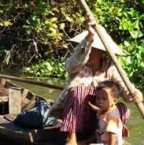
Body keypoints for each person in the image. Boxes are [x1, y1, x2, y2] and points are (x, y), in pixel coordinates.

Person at [49, 13, 143, 145]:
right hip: (78, 119)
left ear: (102, 52)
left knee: (121, 107)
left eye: (94, 49)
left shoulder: (110, 67)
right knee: (79, 91)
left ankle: (100, 138)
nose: (89, 51)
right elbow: (72, 64)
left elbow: (126, 92)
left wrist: (134, 94)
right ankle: (72, 138)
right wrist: (89, 37)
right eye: (89, 48)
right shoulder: (78, 66)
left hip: (100, 119)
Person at [85, 80, 131, 145]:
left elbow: (113, 134)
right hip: (102, 139)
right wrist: (89, 104)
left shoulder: (112, 117)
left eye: (104, 99)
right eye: (98, 98)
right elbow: (98, 110)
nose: (100, 102)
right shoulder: (105, 109)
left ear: (114, 101)